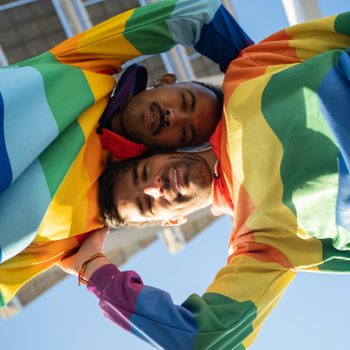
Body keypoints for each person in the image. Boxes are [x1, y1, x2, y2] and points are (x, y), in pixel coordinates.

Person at [59, 10, 350, 350]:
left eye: (143, 174)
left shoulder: (248, 68)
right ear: (172, 221)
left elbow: (193, 11)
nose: (157, 187)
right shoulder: (257, 245)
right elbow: (200, 339)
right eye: (146, 202)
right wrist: (93, 270)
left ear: (157, 153)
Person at [0, 0, 252, 308]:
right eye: (185, 101)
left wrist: (90, 266)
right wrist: (255, 73)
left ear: (167, 149)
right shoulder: (88, 65)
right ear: (166, 81)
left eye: (185, 133)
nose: (174, 117)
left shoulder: (81, 233)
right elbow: (194, 12)